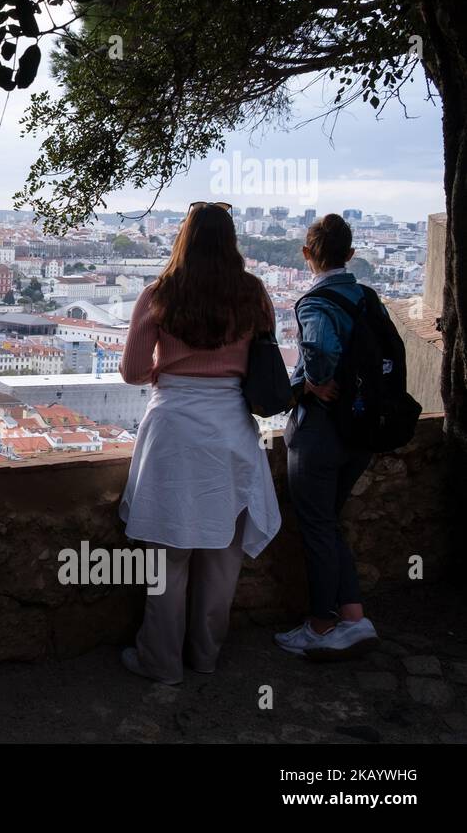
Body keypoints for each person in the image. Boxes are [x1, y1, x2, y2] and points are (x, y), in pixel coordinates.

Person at [117, 202, 280, 685]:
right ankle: (206, 656)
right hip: (230, 427)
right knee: (222, 555)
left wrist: (171, 376)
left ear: (183, 238)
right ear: (231, 239)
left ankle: (161, 662)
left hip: (172, 429)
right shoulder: (253, 295)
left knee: (167, 556)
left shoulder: (159, 293)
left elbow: (130, 371)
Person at [274, 214, 380, 658]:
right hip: (361, 429)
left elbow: (320, 350)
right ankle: (353, 618)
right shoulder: (366, 297)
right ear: (350, 254)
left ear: (306, 254)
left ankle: (320, 626)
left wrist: (312, 382)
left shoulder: (316, 302)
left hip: (321, 429)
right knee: (329, 523)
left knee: (315, 526)